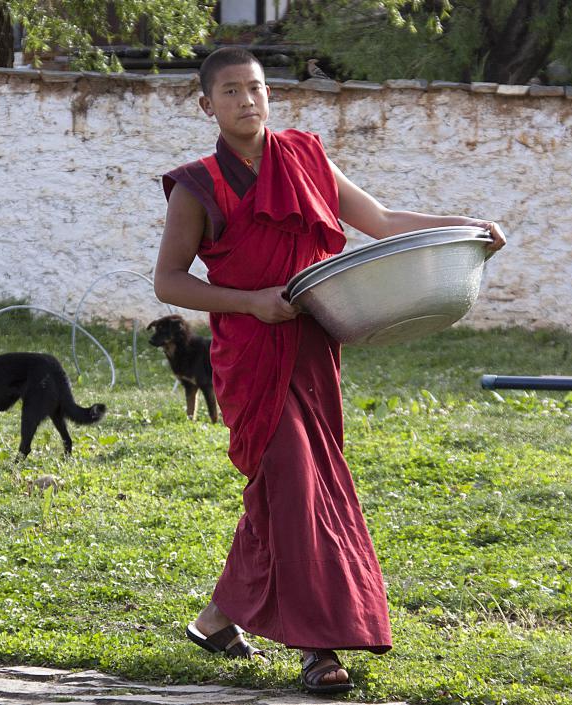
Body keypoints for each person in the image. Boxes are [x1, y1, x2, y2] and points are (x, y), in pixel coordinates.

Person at [153, 47, 506, 694]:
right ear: (207, 105)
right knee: (296, 480)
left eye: (255, 88)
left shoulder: (306, 158)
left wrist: (467, 228)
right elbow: (169, 282)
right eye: (229, 92)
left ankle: (216, 620)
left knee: (288, 486)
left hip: (314, 344)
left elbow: (381, 221)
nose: (246, 100)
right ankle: (320, 647)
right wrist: (252, 301)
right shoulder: (198, 185)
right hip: (251, 353)